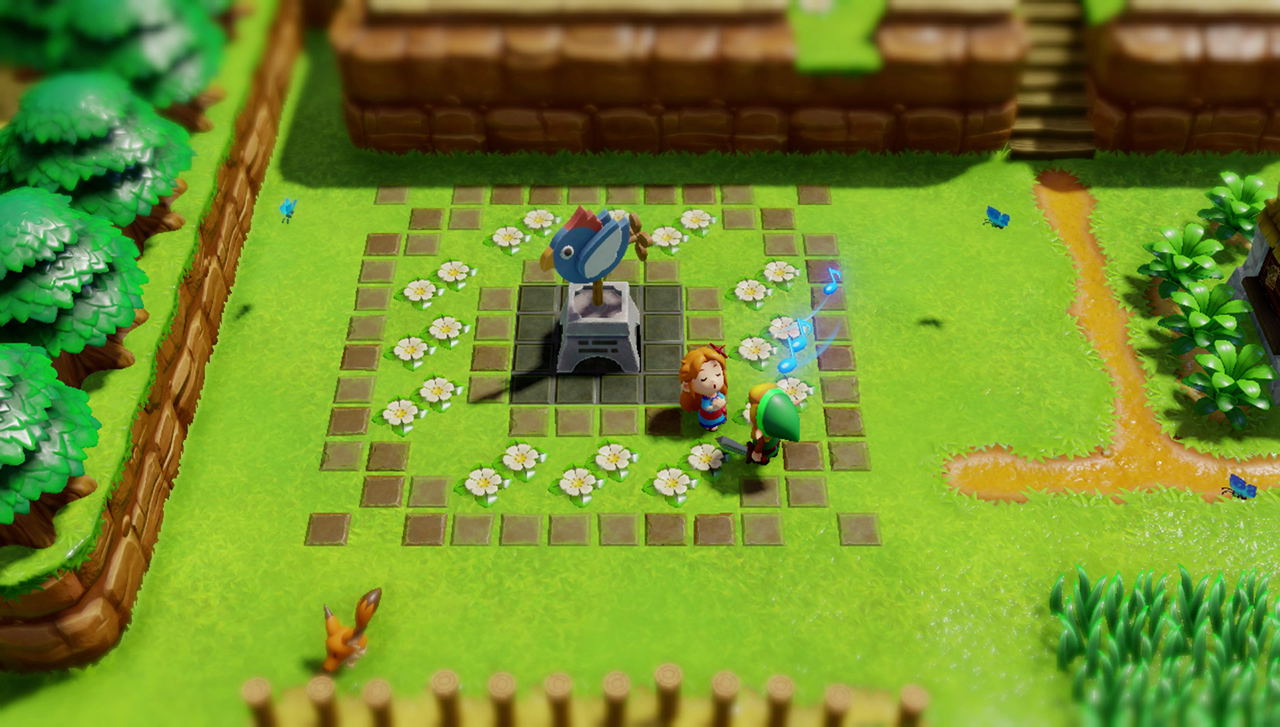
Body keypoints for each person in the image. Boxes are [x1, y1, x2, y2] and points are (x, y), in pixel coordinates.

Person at [322, 588, 381, 672]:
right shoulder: (344, 639)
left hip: (351, 643)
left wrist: (360, 628)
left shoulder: (353, 641)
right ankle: (332, 661)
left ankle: (334, 660)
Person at [745, 383, 801, 465]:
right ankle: (768, 455)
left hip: (773, 442)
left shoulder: (775, 418)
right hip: (767, 447)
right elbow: (760, 443)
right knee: (766, 448)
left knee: (771, 447)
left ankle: (772, 452)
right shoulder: (761, 423)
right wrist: (757, 452)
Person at [679, 345, 728, 432]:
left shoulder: (718, 394)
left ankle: (719, 421)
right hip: (709, 417)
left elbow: (723, 398)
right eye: (703, 379)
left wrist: (722, 402)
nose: (714, 381)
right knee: (710, 422)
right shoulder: (705, 399)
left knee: (719, 418)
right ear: (687, 386)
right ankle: (709, 426)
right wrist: (714, 407)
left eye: (718, 374)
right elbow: (705, 407)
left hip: (718, 414)